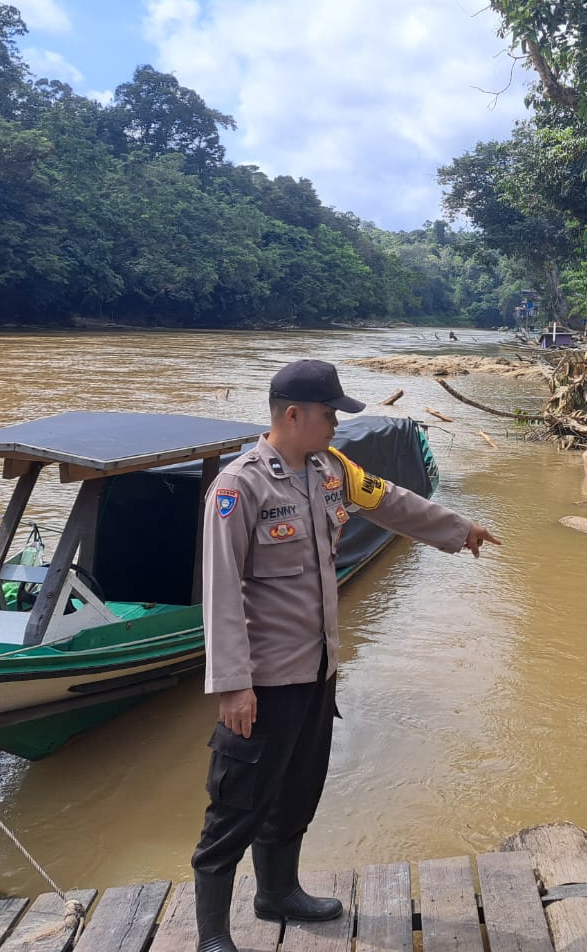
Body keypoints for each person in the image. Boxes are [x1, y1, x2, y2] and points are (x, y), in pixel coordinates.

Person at [191, 359, 499, 949]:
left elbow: (392, 502)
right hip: (263, 682)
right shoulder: (238, 488)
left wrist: (460, 529)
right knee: (236, 806)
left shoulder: (331, 470)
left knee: (298, 791)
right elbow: (221, 591)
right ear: (293, 415)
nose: (336, 423)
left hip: (318, 673)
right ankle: (211, 935)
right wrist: (232, 685)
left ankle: (278, 893)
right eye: (330, 414)